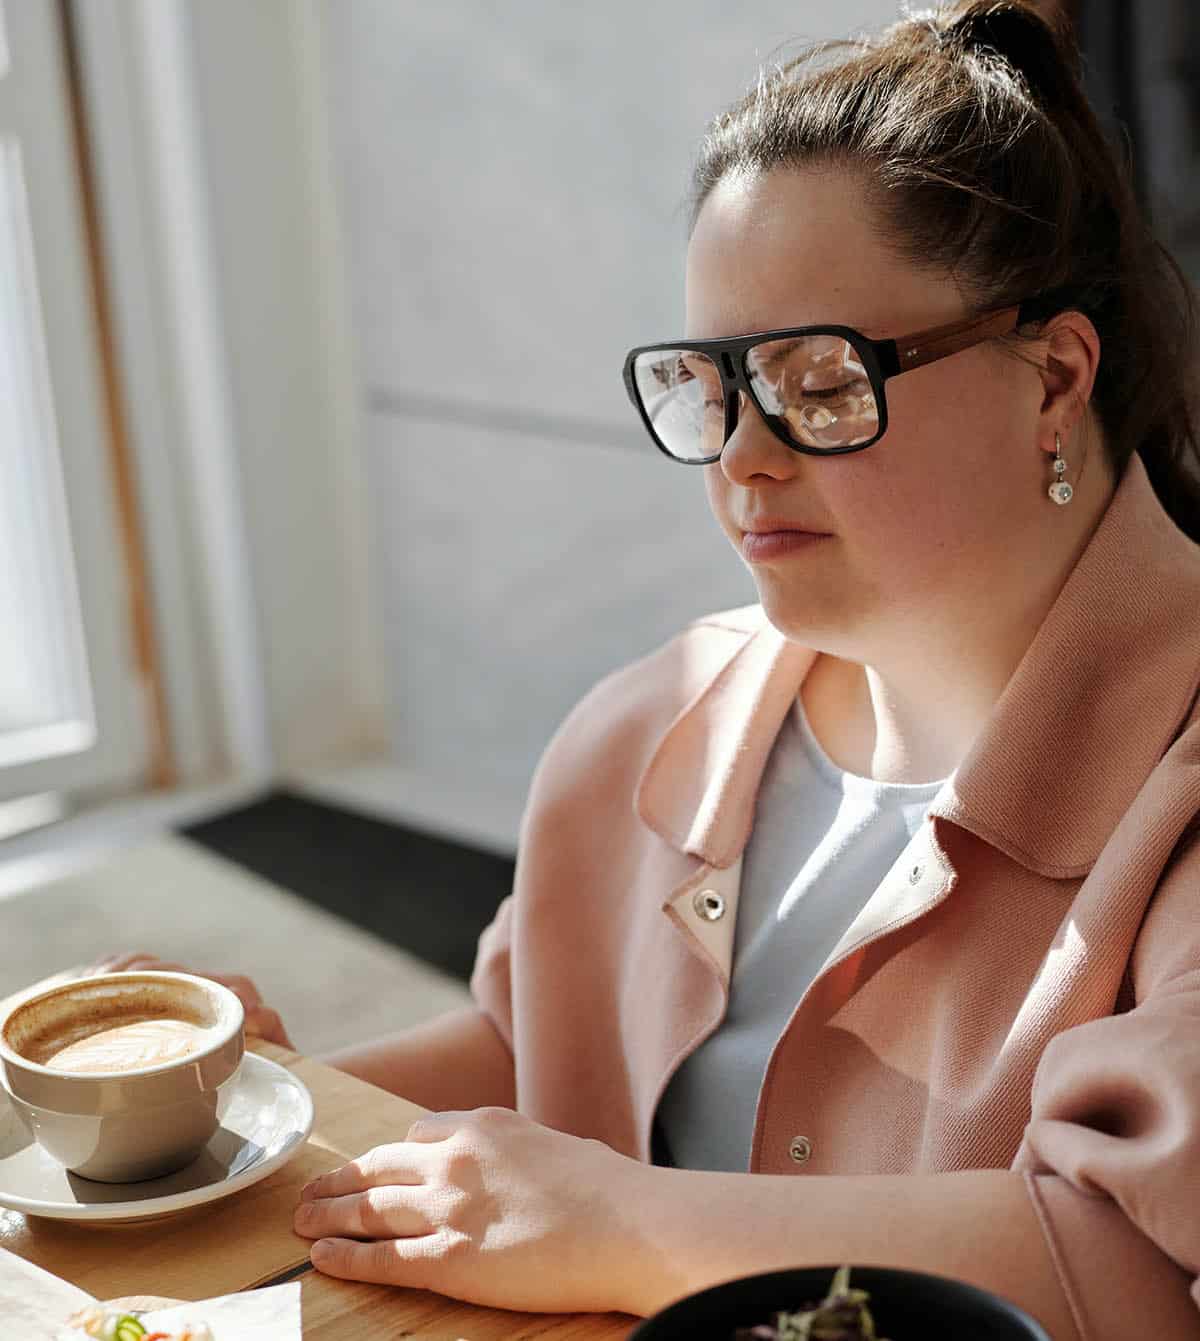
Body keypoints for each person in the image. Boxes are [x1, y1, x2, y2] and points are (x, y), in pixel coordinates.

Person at [99, 2, 1200, 1336]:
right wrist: (262, 1113)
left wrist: (621, 1221)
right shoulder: (647, 733)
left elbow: (1138, 1267)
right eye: (713, 382)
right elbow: (538, 1066)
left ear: (1056, 376)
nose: (742, 453)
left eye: (822, 380)